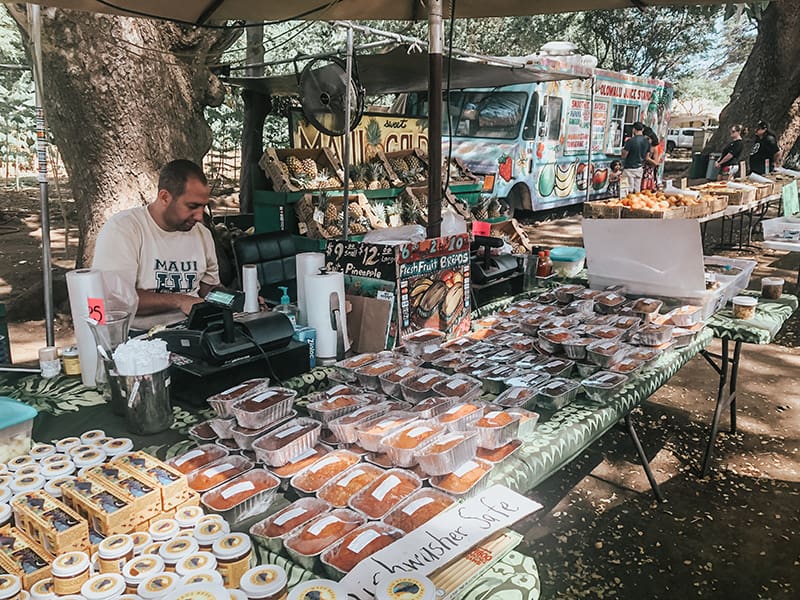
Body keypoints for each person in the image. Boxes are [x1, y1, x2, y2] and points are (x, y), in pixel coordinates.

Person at [92, 159, 221, 331]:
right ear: (165, 197)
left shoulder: (202, 234)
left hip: (193, 330)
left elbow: (208, 288)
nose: (199, 216)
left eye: (203, 206)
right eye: (192, 206)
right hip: (139, 337)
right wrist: (180, 300)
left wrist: (241, 299)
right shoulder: (124, 229)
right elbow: (115, 300)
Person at [621, 121, 651, 193]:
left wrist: (622, 150)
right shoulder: (647, 142)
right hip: (639, 168)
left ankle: (625, 203)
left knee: (626, 190)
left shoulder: (631, 141)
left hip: (629, 168)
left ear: (634, 129)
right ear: (642, 130)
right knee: (637, 190)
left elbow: (624, 155)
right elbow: (647, 157)